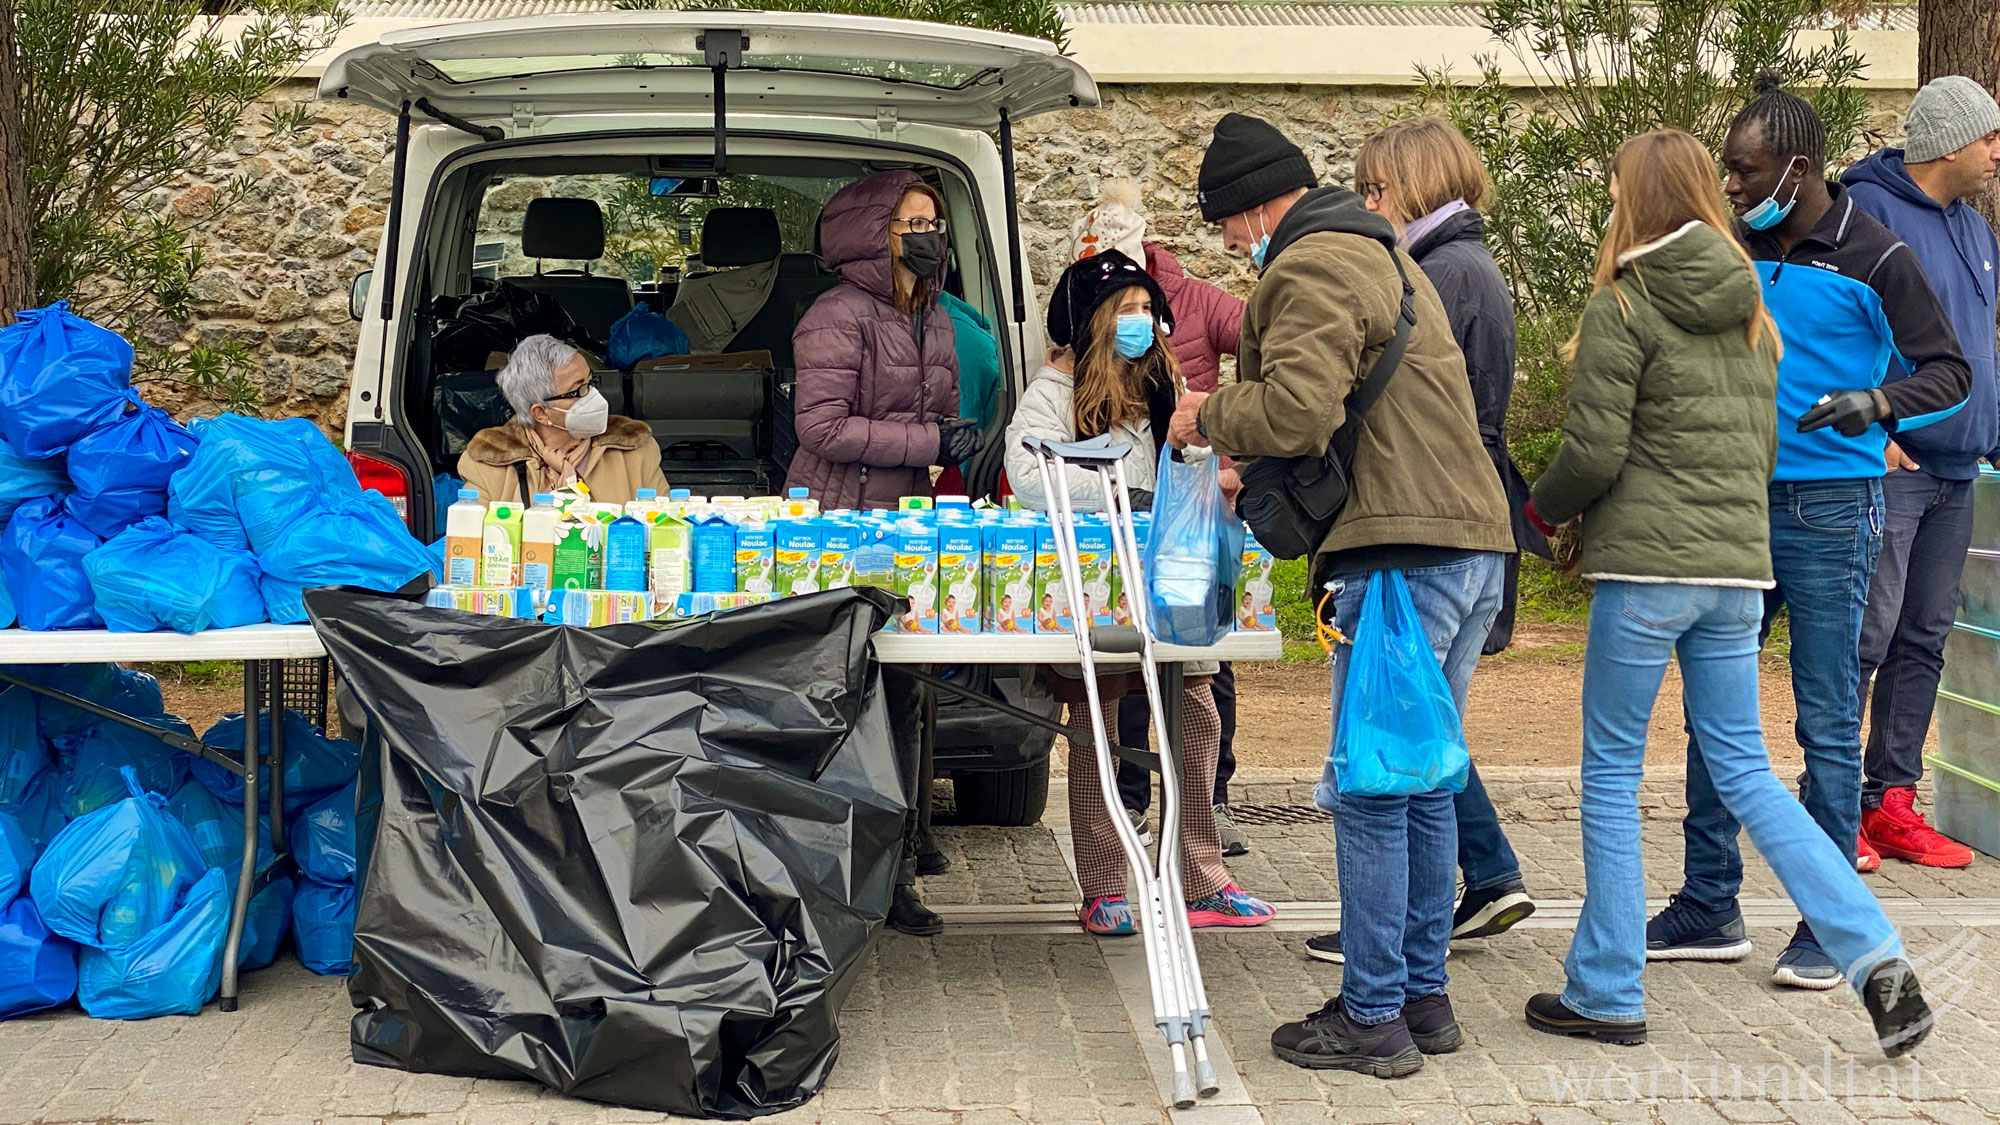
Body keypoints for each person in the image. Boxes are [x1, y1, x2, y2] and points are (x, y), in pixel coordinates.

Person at [1520, 127, 1934, 1058]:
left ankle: (1607, 987)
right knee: (1748, 772)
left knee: (1612, 776)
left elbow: (1593, 451)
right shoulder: (1754, 299)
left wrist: (1538, 512)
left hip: (1647, 573)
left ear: (1632, 200)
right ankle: (1873, 950)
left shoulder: (1625, 302)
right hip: (1738, 569)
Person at [1171, 113, 1515, 1078]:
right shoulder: (1386, 257)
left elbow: (1296, 409)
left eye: (1230, 229)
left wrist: (1206, 416)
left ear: (1254, 210)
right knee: (1425, 778)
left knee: (1371, 787)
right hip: (1464, 544)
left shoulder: (1314, 262)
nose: (1234, 249)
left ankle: (1373, 1014)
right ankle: (1421, 995)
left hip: (1402, 558)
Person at [1652, 78, 1972, 991]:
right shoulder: (1732, 245)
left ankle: (1830, 923)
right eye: (1730, 172)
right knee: (1716, 709)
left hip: (1834, 510)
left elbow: (1947, 370)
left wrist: (1880, 404)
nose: (1736, 186)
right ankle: (1708, 904)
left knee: (1826, 720)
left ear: (1798, 166)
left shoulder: (1877, 257)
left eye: (1747, 173)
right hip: (1731, 506)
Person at [1297, 116, 1547, 970]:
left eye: (1375, 189)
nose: (1368, 205)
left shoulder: (1435, 273)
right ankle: (1429, 931)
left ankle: (1392, 952)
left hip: (1425, 531)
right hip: (1469, 528)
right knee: (1426, 745)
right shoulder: (1468, 265)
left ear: (1406, 187)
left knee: (1394, 760)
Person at [1004, 249, 1274, 936]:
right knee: (1098, 730)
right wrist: (1128, 489)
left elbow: (1185, 464)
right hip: (1096, 584)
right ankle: (1103, 885)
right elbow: (1034, 480)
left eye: (1147, 308)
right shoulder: (1052, 393)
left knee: (1198, 717)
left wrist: (1192, 450)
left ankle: (1200, 875)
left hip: (1169, 579)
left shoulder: (1164, 378)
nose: (1140, 321)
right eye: (1125, 310)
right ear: (1092, 321)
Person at [1840, 77, 2000, 870]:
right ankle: (1834, 802)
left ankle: (1890, 801)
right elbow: (1836, 331)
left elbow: (1979, 348)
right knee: (1866, 632)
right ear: (1949, 142)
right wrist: (1875, 431)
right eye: (1989, 137)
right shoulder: (1867, 213)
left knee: (1926, 636)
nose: (1998, 152)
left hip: (1957, 472)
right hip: (1893, 465)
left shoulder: (1978, 231)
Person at [1069, 182, 1255, 857]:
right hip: (1131, 522)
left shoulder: (1198, 299)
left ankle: (1213, 803)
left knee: (1203, 671)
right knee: (1126, 683)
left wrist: (1229, 433)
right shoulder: (1080, 373)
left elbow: (1261, 336)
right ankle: (1134, 799)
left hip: (1188, 511)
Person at [787, 171, 980, 509]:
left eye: (936, 225)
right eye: (917, 224)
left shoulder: (936, 319)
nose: (930, 235)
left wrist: (956, 438)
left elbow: (939, 417)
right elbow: (822, 429)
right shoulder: (837, 315)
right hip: (838, 513)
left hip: (910, 509)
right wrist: (931, 443)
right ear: (875, 233)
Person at [459, 334, 668, 505]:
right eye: (578, 390)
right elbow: (472, 544)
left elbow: (665, 538)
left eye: (590, 382)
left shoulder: (636, 451)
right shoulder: (488, 463)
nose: (593, 395)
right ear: (541, 413)